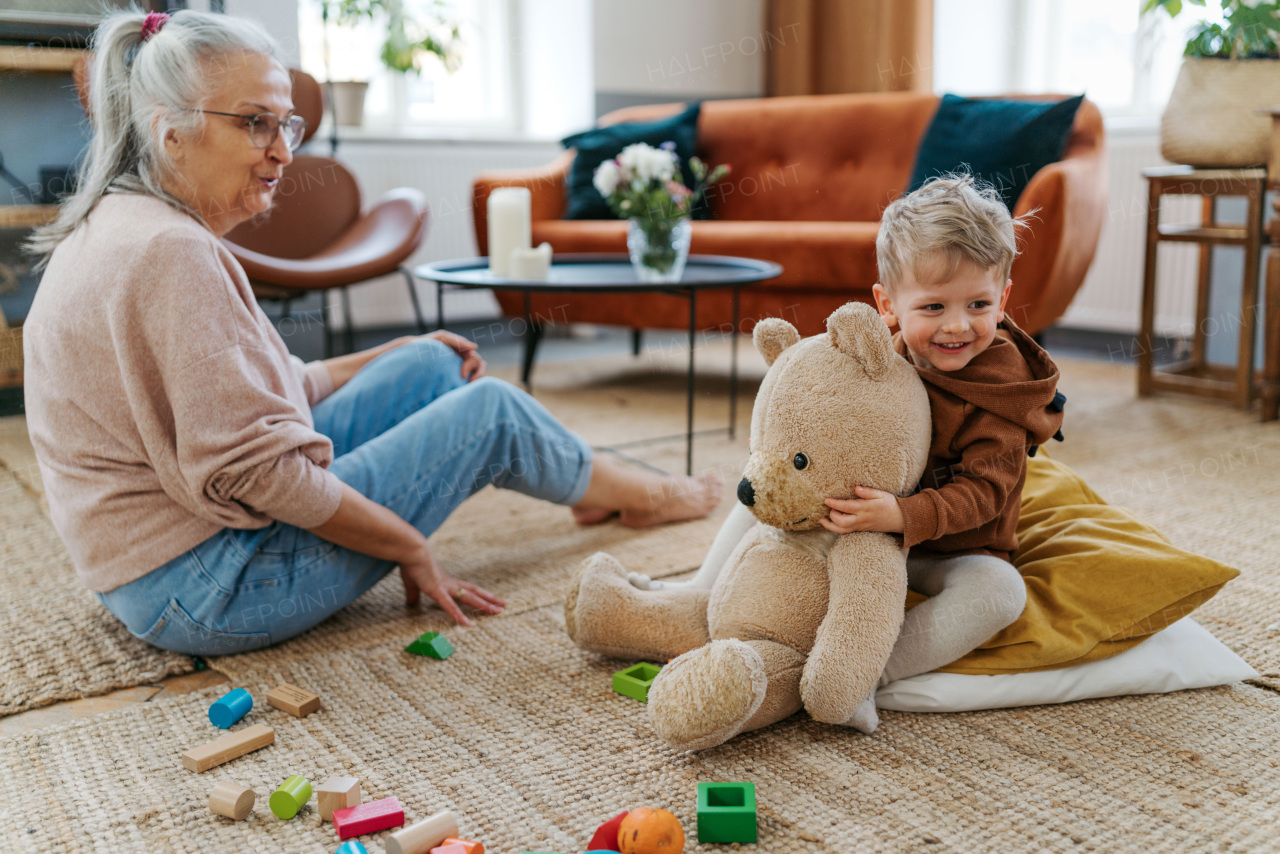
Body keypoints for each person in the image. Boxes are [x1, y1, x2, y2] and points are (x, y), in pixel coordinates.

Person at [22, 10, 719, 657]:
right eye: (254, 123)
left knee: (429, 366)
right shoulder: (173, 255)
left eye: (287, 125)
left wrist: (391, 353)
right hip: (207, 588)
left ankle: (584, 481)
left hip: (156, 572)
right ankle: (640, 493)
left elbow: (264, 394)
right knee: (490, 413)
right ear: (167, 129)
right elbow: (258, 472)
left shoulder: (126, 226)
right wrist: (407, 545)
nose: (281, 151)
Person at [630, 174, 1063, 729]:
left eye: (978, 304)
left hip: (953, 545)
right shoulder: (877, 354)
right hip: (855, 521)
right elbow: (819, 402)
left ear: (1003, 298)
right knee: (763, 498)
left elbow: (986, 494)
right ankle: (699, 598)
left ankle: (868, 673)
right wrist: (791, 449)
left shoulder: (1001, 392)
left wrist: (903, 515)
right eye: (933, 307)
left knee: (1001, 594)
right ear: (886, 305)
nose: (958, 325)